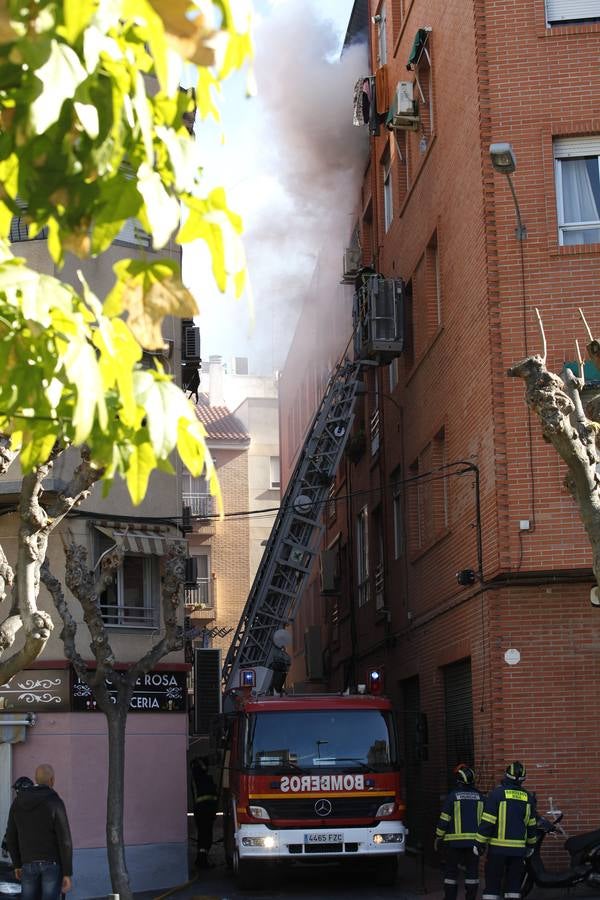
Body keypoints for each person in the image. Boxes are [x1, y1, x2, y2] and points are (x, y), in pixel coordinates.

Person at [5, 763, 73, 899]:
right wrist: (67, 872)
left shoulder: (18, 802)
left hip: (27, 863)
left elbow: (11, 836)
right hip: (52, 864)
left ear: (35, 780)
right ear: (52, 780)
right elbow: (65, 840)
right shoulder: (55, 802)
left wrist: (17, 864)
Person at [474, 761, 537, 900]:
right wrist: (531, 845)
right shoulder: (528, 798)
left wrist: (479, 843)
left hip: (498, 850)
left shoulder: (497, 794)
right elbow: (531, 825)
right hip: (518, 851)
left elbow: (487, 822)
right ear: (523, 780)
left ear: (506, 776)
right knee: (514, 885)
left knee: (492, 884)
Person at [435, 763, 485, 900]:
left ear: (459, 781)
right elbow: (486, 821)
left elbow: (444, 818)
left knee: (451, 874)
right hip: (474, 843)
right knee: (472, 874)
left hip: (454, 844)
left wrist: (439, 836)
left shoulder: (453, 796)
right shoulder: (480, 797)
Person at [190, 757, 218, 869]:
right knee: (205, 836)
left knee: (203, 835)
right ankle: (202, 861)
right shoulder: (204, 779)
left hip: (201, 811)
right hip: (205, 810)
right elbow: (211, 794)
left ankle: (201, 859)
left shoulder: (196, 778)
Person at [2, 777, 34, 857]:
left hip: (31, 853)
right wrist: (5, 845)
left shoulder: (17, 805)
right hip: (27, 853)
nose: (17, 793)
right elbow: (11, 829)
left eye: (18, 790)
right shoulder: (17, 805)